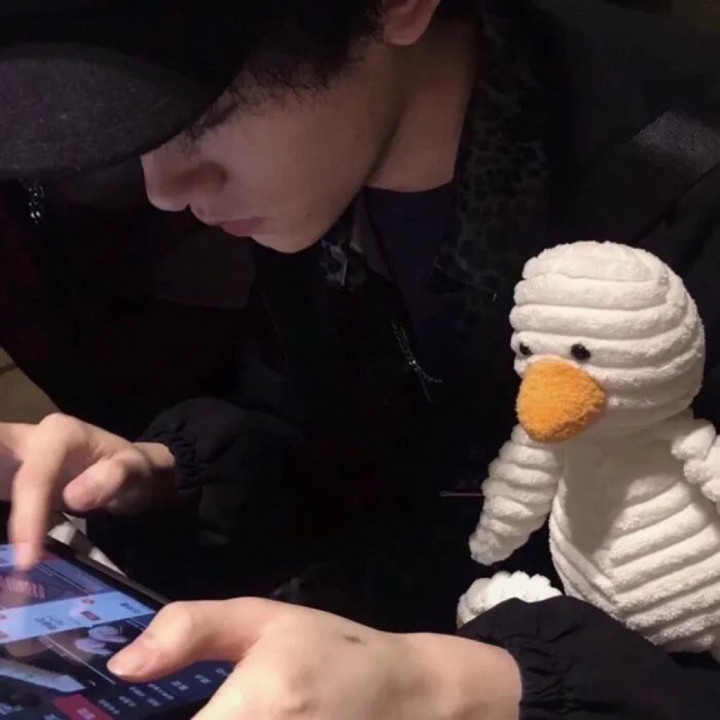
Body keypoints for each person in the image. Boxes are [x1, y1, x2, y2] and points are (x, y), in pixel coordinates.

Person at [1, 0, 720, 717]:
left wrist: (456, 685)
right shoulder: (327, 181)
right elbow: (339, 452)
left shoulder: (681, 182)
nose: (163, 190)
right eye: (139, 135)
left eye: (206, 116)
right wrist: (162, 474)